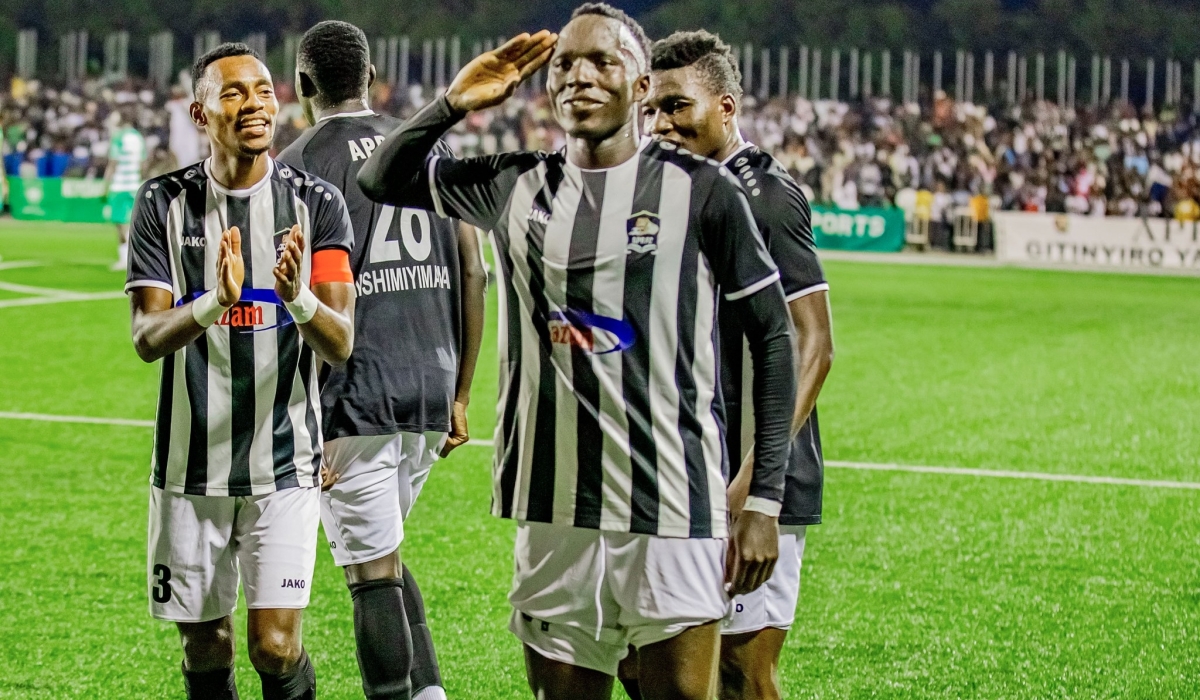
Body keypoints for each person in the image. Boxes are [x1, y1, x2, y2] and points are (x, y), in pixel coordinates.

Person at [358, 5, 797, 700]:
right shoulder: (513, 184)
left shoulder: (704, 192)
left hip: (675, 513)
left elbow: (776, 338)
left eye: (603, 61)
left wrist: (765, 500)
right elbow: (380, 179)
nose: (579, 76)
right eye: (565, 63)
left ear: (642, 85)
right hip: (553, 513)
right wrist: (452, 104)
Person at [124, 42, 356, 700]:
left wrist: (296, 298)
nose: (253, 102)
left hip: (283, 464)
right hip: (189, 467)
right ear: (201, 114)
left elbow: (340, 342)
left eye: (261, 90)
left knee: (276, 648)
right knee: (206, 644)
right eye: (232, 93)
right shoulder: (162, 204)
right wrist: (214, 303)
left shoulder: (318, 204)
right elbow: (146, 336)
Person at [277, 20, 486, 700]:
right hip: (430, 385)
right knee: (383, 551)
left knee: (369, 571)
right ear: (372, 78)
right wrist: (459, 391)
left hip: (353, 394)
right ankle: (428, 693)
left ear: (302, 85)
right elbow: (473, 269)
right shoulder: (422, 144)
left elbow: (297, 298)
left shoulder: (299, 164)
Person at [626, 30, 836, 700]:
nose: (661, 123)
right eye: (652, 109)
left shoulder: (765, 198)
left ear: (725, 107)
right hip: (684, 471)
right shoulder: (672, 192)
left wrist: (753, 487)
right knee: (642, 666)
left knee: (743, 672)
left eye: (677, 107)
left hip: (747, 479)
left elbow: (814, 344)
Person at [105, 106, 147, 270]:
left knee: (120, 223)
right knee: (130, 222)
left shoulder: (119, 137)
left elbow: (112, 163)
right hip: (134, 184)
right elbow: (143, 164)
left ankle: (126, 258)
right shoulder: (139, 138)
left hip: (120, 185)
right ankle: (133, 256)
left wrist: (105, 186)